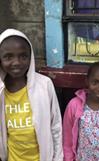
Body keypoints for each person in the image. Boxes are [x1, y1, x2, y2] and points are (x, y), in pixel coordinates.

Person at [0, 29, 63, 161]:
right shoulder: (1, 90)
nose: (16, 62)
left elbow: (55, 126)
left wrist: (57, 158)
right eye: (8, 57)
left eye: (23, 56)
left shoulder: (44, 85)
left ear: (31, 57)